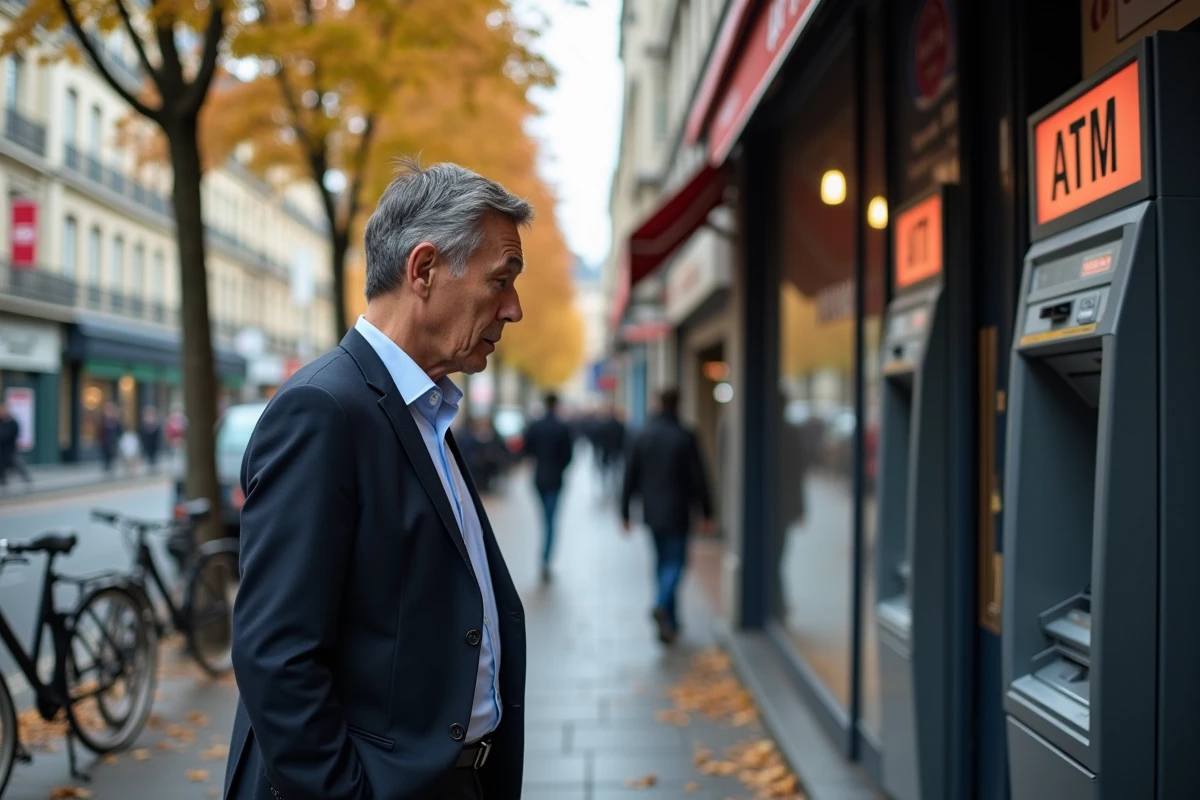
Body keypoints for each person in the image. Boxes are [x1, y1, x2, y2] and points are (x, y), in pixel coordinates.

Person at [224, 159, 531, 800]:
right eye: (501, 280)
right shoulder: (324, 410)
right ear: (424, 270)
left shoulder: (424, 410)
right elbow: (277, 656)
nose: (515, 309)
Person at [621, 389, 713, 644]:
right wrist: (708, 511)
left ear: (658, 404)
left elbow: (630, 475)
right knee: (676, 563)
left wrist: (625, 512)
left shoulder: (643, 435)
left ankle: (670, 621)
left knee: (662, 563)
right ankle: (662, 605)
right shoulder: (685, 436)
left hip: (652, 512)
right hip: (679, 511)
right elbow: (699, 478)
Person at [521, 392, 574, 583]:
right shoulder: (562, 427)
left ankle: (544, 558)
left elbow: (527, 449)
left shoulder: (535, 425)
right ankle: (546, 559)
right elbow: (568, 455)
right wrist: (559, 468)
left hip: (539, 478)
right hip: (555, 479)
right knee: (551, 521)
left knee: (545, 518)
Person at [0, 402, 32, 488]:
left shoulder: (12, 422)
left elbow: (10, 434)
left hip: (10, 448)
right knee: (1, 464)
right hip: (2, 449)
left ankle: (26, 477)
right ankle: (3, 480)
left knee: (15, 463)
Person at [99, 403, 123, 472]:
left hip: (113, 441)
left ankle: (111, 465)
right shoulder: (103, 420)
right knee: (105, 454)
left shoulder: (116, 421)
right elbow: (100, 431)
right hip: (105, 441)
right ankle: (107, 465)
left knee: (112, 454)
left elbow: (119, 431)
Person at [140, 405, 163, 470]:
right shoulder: (144, 425)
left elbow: (158, 438)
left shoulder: (157, 425)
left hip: (154, 447)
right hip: (147, 448)